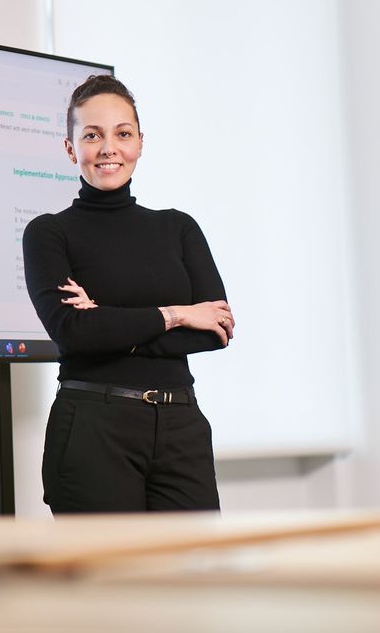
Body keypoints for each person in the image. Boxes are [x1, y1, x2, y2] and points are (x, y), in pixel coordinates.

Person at [22, 75, 235, 514]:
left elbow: (214, 330)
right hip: (92, 428)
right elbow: (74, 332)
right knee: (110, 582)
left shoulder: (178, 228)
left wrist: (107, 319)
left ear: (140, 141)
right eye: (92, 135)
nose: (108, 148)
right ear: (70, 149)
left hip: (181, 426)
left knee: (194, 575)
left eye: (122, 134)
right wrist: (178, 314)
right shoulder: (49, 233)